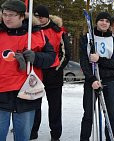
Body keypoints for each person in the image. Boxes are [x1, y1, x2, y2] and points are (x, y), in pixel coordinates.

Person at [0, 0, 56, 141]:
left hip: (26, 94)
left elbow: (51, 58)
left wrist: (36, 57)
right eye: (4, 14)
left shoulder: (37, 35)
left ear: (21, 16)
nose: (7, 18)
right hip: (1, 93)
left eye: (11, 15)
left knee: (23, 137)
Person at [29, 5, 70, 141]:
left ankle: (55, 134)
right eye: (37, 17)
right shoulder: (31, 30)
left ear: (47, 17)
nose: (39, 20)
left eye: (41, 17)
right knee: (34, 104)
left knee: (55, 107)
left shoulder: (58, 31)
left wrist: (57, 69)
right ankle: (33, 131)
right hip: (36, 73)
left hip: (53, 73)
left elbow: (66, 54)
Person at [79, 12, 114, 141]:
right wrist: (91, 79)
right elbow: (84, 61)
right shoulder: (86, 38)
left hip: (109, 80)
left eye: (107, 21)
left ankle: (110, 138)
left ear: (109, 24)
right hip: (91, 81)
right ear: (96, 22)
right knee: (88, 115)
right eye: (101, 20)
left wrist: (99, 59)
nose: (104, 23)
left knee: (110, 114)